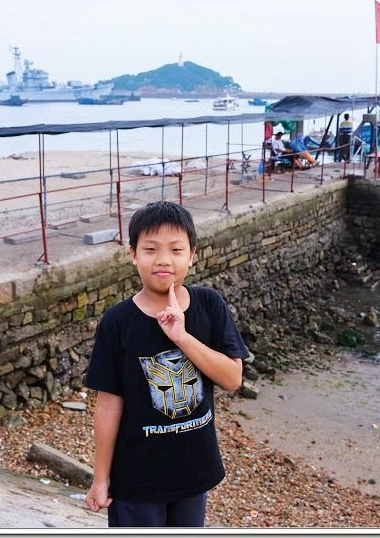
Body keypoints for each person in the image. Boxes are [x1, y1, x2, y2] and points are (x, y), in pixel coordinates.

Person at [84, 201, 249, 527]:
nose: (163, 260)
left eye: (176, 249)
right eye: (150, 249)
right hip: (136, 478)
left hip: (194, 472)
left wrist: (182, 337)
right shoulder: (117, 322)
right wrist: (100, 478)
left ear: (192, 255)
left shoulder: (209, 304)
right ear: (133, 254)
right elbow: (108, 405)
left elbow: (232, 378)